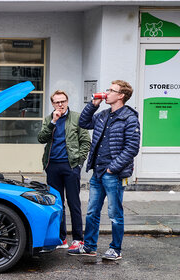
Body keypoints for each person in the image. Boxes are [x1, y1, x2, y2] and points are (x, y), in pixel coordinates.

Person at [68, 80, 141, 261]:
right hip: (98, 172)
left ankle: (115, 249)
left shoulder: (130, 118)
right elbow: (84, 123)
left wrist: (112, 169)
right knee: (92, 211)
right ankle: (90, 247)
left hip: (113, 174)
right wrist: (92, 106)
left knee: (115, 214)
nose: (106, 93)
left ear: (121, 96)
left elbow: (132, 148)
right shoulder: (103, 115)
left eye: (111, 90)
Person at [38, 90, 90, 251]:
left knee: (74, 203)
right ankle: (61, 239)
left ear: (67, 101)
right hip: (52, 166)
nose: (60, 104)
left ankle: (78, 239)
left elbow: (86, 142)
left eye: (63, 101)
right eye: (57, 102)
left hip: (70, 166)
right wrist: (53, 122)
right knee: (57, 204)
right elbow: (41, 138)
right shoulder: (49, 119)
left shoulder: (77, 117)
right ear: (52, 104)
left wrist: (78, 163)